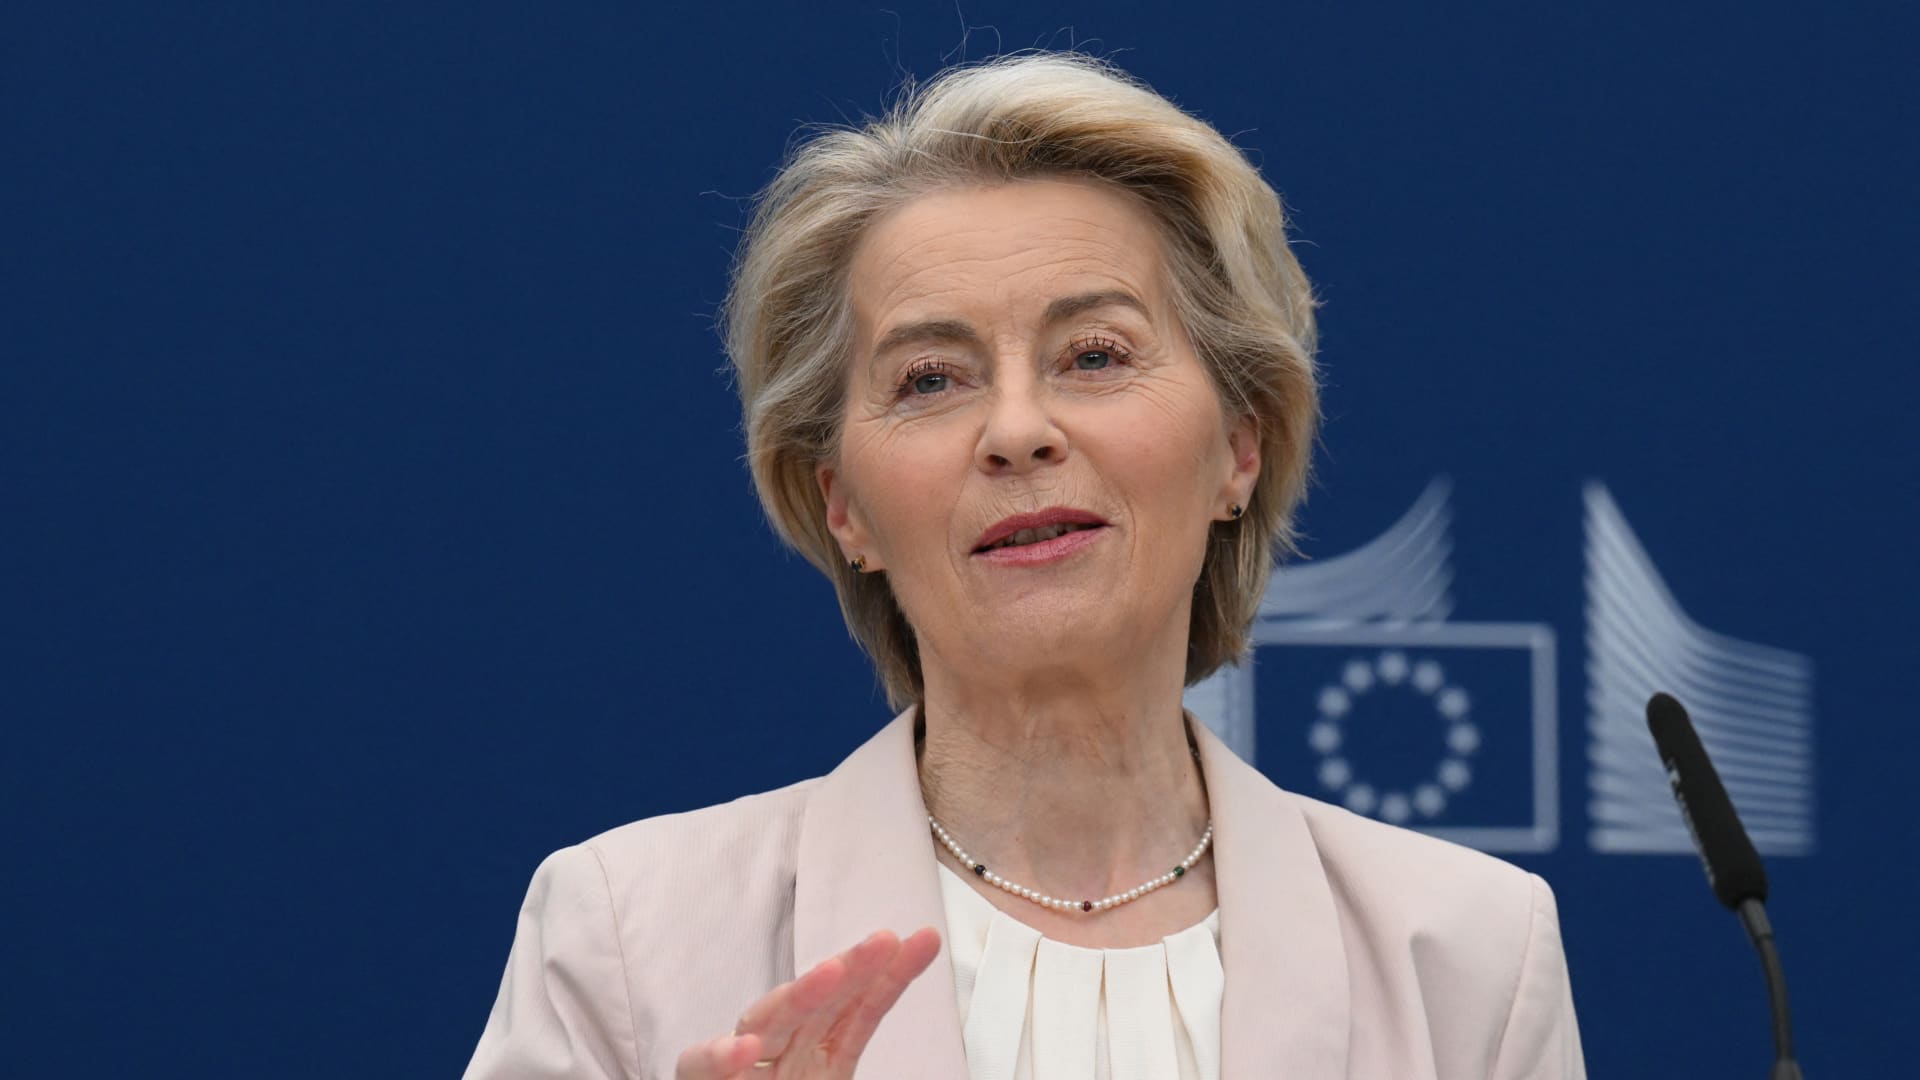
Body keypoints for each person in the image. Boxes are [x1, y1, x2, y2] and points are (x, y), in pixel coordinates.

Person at [464, 51, 1585, 1080]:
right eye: (930, 380)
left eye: (1094, 355)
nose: (1016, 430)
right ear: (842, 504)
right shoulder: (625, 931)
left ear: (1239, 448)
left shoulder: (1467, 950)